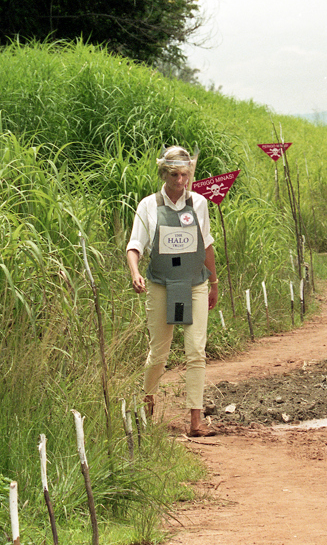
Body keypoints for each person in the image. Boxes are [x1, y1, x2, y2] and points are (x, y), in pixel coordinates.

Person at [126, 146, 219, 437]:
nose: (181, 181)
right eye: (175, 175)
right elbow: (134, 246)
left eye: (186, 175)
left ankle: (196, 420)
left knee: (196, 352)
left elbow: (206, 245)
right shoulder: (148, 205)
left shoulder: (200, 204)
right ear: (165, 174)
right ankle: (147, 406)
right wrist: (135, 273)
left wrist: (214, 282)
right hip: (160, 285)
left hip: (195, 284)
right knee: (159, 353)